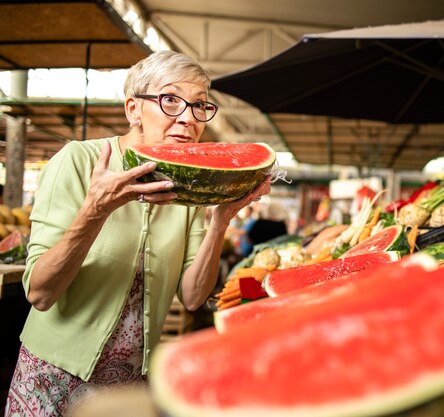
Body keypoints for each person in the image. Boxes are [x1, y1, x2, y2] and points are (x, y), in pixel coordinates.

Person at [4, 50, 271, 417]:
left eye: (199, 106)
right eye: (170, 100)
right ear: (133, 110)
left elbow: (193, 297)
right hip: (54, 376)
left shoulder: (188, 189)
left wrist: (221, 218)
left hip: (130, 383)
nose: (187, 119)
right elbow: (40, 292)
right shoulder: (79, 161)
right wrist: (95, 210)